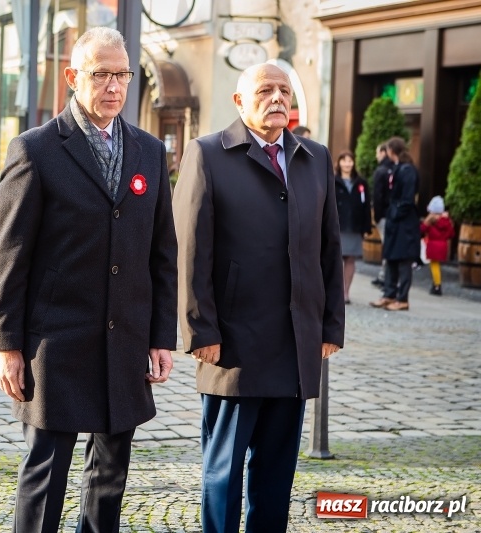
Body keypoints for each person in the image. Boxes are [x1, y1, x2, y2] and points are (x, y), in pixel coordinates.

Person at [0, 27, 177, 533]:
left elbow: (162, 253)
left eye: (122, 75)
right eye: (101, 74)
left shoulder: (149, 152)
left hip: (126, 340)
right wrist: (8, 345)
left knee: (110, 474)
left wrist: (161, 336)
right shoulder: (35, 150)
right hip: (56, 340)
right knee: (46, 472)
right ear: (73, 77)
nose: (114, 86)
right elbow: (9, 255)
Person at [173, 63, 344, 533]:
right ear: (239, 101)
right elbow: (190, 251)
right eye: (265, 90)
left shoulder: (315, 157)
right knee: (224, 473)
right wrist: (199, 329)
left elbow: (329, 248)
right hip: (233, 345)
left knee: (276, 475)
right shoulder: (207, 153)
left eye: (284, 91)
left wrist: (330, 326)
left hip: (295, 344)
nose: (277, 99)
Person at [370, 136, 421, 311]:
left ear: (391, 151)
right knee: (390, 257)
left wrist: (395, 213)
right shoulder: (396, 167)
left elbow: (408, 199)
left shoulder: (408, 170)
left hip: (404, 223)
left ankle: (402, 299)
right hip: (394, 221)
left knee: (404, 260)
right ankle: (389, 294)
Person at [334, 150, 372, 304]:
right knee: (335, 259)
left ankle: (345, 292)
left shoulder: (361, 182)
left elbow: (366, 206)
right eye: (344, 160)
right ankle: (334, 292)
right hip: (337, 225)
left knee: (350, 259)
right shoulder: (332, 180)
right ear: (339, 163)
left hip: (355, 226)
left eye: (350, 161)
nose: (347, 164)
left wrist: (367, 227)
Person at [371, 142, 394, 287]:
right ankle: (385, 275)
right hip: (394, 213)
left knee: (387, 245)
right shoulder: (394, 169)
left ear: (384, 152)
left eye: (378, 152)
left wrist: (377, 215)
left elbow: (378, 195)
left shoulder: (382, 170)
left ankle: (385, 276)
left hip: (385, 214)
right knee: (390, 244)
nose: (376, 155)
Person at [421, 195, 455, 296]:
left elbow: (422, 229)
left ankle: (437, 285)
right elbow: (451, 234)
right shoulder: (447, 222)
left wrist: (426, 220)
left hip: (433, 245)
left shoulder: (431, 221)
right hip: (443, 245)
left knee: (434, 266)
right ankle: (436, 283)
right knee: (436, 265)